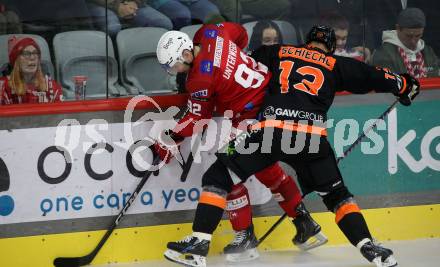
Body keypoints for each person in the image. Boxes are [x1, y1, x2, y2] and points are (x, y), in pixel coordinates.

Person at [163, 25, 420, 267]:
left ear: (306, 42)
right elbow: (374, 76)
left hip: (269, 131)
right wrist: (405, 85)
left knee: (218, 175)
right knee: (337, 196)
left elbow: (245, 64)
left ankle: (199, 242)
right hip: (312, 139)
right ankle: (369, 246)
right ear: (330, 48)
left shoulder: (279, 51)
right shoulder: (335, 64)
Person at [155, 22, 327, 264]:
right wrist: (230, 63)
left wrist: (170, 139)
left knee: (225, 168)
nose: (178, 71)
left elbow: (197, 118)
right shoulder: (211, 32)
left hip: (253, 116)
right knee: (266, 169)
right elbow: (242, 35)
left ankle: (243, 237)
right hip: (276, 101)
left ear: (185, 53)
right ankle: (305, 223)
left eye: (175, 65)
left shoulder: (198, 80)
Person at [371, 7, 439, 78]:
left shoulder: (428, 52)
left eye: (418, 36)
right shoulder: (384, 54)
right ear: (398, 28)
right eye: (408, 36)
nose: (413, 41)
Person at [0, 36, 63, 104]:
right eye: (26, 54)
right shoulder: (3, 87)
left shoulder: (51, 86)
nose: (32, 57)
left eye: (35, 53)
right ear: (16, 60)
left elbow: (61, 113)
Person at [86, 0, 173, 36]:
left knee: (164, 24)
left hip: (131, 2)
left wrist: (135, 2)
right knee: (112, 27)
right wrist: (117, 6)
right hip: (99, 3)